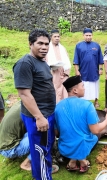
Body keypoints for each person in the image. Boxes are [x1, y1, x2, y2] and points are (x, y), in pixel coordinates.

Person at [13, 29, 56, 180]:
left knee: (45, 148)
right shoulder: (25, 63)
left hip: (47, 113)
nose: (44, 47)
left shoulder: (41, 61)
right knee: (40, 152)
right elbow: (24, 93)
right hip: (38, 116)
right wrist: (39, 117)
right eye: (40, 43)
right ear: (30, 44)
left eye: (46, 44)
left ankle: (44, 174)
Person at [54, 75, 107, 172]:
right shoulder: (87, 105)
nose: (84, 89)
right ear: (75, 90)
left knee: (73, 134)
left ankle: (72, 161)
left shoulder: (58, 106)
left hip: (65, 147)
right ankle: (82, 160)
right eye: (83, 86)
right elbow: (95, 130)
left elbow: (56, 133)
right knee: (97, 134)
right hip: (82, 146)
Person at [73, 28, 103, 108]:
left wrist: (100, 69)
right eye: (86, 35)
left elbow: (100, 59)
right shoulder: (79, 46)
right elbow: (76, 60)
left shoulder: (96, 46)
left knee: (95, 86)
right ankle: (83, 101)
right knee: (84, 86)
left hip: (94, 71)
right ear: (83, 35)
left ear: (92, 35)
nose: (88, 37)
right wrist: (76, 71)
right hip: (83, 71)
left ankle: (96, 101)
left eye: (90, 35)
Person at [0, 102, 31, 171]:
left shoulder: (21, 103)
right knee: (42, 136)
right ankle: (26, 163)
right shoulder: (30, 109)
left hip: (3, 144)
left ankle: (12, 154)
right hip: (9, 150)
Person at [46, 29, 71, 104]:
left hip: (63, 73)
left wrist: (66, 72)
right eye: (55, 36)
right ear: (51, 37)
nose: (57, 38)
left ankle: (65, 107)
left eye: (58, 36)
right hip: (53, 73)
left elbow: (67, 61)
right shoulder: (47, 48)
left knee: (65, 91)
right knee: (55, 91)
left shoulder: (63, 48)